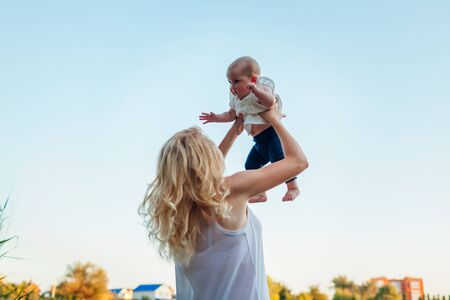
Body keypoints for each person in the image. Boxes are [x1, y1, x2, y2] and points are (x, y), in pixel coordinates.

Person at [140, 105, 308, 300]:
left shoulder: (179, 215)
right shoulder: (230, 192)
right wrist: (274, 119)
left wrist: (234, 131)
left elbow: (201, 177)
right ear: (208, 160)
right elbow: (298, 162)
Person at [199, 56, 300, 202]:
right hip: (258, 141)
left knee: (280, 161)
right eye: (230, 82)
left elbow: (270, 102)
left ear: (252, 80)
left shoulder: (260, 89)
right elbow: (231, 114)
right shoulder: (237, 99)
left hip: (271, 137)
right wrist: (216, 118)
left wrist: (256, 91)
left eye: (236, 81)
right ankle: (260, 193)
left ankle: (293, 187)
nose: (232, 87)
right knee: (250, 165)